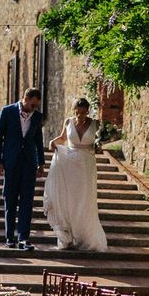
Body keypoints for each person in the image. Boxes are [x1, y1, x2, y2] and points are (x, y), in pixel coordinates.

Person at [44, 98, 107, 251]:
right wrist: (53, 141)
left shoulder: (96, 124)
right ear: (74, 111)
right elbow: (63, 138)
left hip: (86, 166)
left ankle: (85, 237)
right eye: (78, 113)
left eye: (84, 113)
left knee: (84, 200)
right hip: (69, 164)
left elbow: (100, 142)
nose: (81, 116)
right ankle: (68, 236)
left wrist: (99, 145)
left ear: (88, 111)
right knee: (69, 199)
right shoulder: (68, 122)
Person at [0, 87, 45, 250]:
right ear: (25, 99)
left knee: (27, 201)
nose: (34, 108)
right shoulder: (7, 112)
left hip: (29, 163)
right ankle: (10, 237)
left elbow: (38, 141)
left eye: (37, 106)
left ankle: (23, 238)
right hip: (10, 162)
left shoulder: (37, 117)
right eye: (32, 105)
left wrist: (41, 162)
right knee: (10, 200)